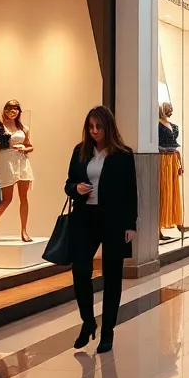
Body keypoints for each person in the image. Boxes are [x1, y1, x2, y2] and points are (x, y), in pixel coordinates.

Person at [64, 106, 137, 355]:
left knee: (112, 275)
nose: (94, 132)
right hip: (85, 217)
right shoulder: (80, 151)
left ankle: (108, 332)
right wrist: (77, 189)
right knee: (81, 269)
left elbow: (131, 192)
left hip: (114, 219)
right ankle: (88, 321)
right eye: (90, 127)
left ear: (108, 127)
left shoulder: (123, 155)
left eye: (98, 127)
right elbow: (68, 184)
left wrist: (131, 224)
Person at [0, 99, 35, 243]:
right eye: (9, 109)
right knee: (7, 199)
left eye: (15, 109)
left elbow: (30, 146)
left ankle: (24, 230)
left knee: (23, 198)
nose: (12, 112)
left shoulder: (23, 128)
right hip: (6, 162)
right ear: (5, 110)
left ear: (19, 111)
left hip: (22, 162)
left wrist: (24, 148)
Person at [157, 102, 184, 240]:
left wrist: (180, 163)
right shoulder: (157, 125)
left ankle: (177, 220)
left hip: (172, 159)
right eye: (168, 109)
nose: (171, 111)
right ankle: (158, 228)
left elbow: (175, 148)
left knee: (173, 191)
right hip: (162, 160)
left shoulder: (173, 126)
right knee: (163, 192)